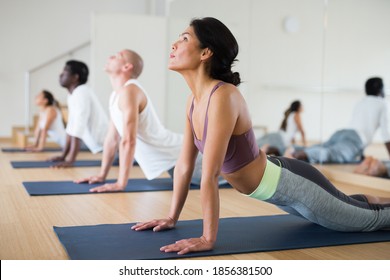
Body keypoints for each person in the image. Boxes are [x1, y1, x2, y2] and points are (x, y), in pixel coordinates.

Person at [132, 17, 390, 255]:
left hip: (293, 185)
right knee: (348, 205)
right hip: (276, 190)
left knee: (368, 221)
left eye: (185, 38)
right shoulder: (193, 101)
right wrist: (171, 217)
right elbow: (185, 166)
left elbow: (210, 174)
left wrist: (207, 238)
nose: (175, 43)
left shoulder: (223, 96)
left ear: (206, 52)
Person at [75, 49, 204, 192]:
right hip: (174, 162)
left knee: (231, 176)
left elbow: (129, 141)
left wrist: (120, 184)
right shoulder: (116, 95)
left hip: (191, 156)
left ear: (126, 67)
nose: (111, 56)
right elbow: (112, 139)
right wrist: (101, 175)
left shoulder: (130, 91)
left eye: (118, 56)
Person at [292, 77, 390, 163]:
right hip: (355, 139)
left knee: (322, 147)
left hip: (342, 133)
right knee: (332, 153)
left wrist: (359, 153)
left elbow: (361, 125)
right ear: (380, 90)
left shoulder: (361, 102)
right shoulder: (383, 104)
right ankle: (301, 154)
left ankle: (292, 149)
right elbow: (386, 135)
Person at [49, 60, 108, 167]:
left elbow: (79, 125)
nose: (60, 74)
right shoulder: (73, 94)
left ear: (75, 77)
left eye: (65, 71)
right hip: (98, 145)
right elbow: (71, 126)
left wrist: (70, 160)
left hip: (109, 146)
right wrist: (63, 156)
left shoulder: (82, 92)